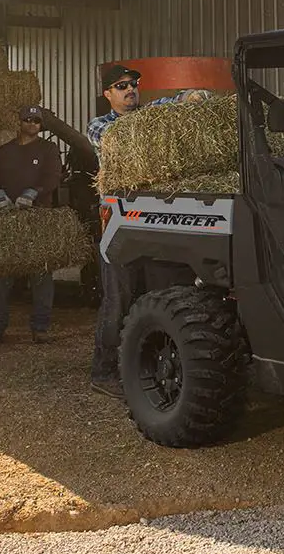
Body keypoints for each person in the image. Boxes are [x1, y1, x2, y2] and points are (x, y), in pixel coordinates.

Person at [85, 64, 211, 395]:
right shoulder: (99, 127)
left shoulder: (151, 114)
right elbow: (120, 145)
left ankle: (154, 364)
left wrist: (191, 96)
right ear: (107, 94)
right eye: (121, 85)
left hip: (154, 222)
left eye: (134, 84)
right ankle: (103, 372)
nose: (130, 89)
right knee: (118, 300)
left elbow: (171, 104)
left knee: (162, 292)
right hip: (119, 224)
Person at [0, 105, 64, 346]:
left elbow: (53, 177)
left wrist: (33, 193)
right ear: (19, 122)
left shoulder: (48, 149)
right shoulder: (4, 151)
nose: (32, 124)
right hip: (9, 218)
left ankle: (40, 328)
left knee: (41, 273)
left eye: (37, 121)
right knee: (1, 274)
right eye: (28, 120)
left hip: (38, 217)